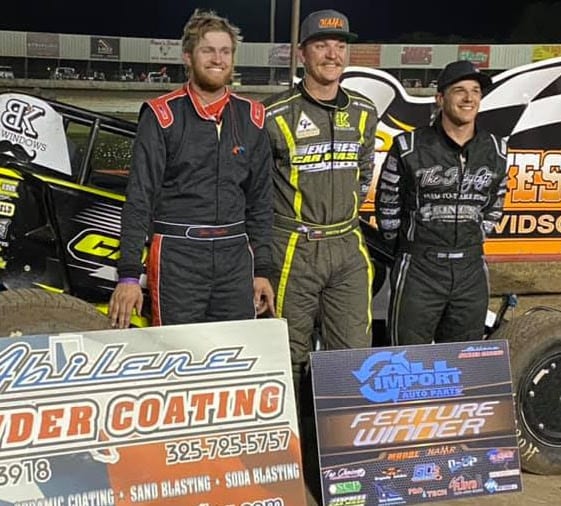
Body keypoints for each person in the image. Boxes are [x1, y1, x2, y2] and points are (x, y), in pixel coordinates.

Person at [109, 9, 274, 328]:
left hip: (235, 258)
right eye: (207, 50)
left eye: (225, 51)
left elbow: (261, 203)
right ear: (188, 57)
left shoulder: (252, 116)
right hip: (177, 256)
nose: (218, 59)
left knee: (235, 354)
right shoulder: (161, 116)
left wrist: (263, 269)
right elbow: (139, 199)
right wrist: (129, 274)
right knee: (177, 356)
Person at [263, 9, 378, 397]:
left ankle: (343, 454)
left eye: (340, 45)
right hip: (293, 247)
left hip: (347, 245)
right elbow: (256, 190)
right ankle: (290, 451)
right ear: (302, 55)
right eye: (322, 45)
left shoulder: (364, 111)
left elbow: (363, 172)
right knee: (285, 355)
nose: (332, 54)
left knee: (352, 355)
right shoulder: (273, 113)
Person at [375, 60, 507, 345]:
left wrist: (473, 236)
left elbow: (496, 203)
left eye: (475, 91)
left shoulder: (496, 149)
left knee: (464, 359)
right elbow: (387, 207)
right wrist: (409, 249)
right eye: (459, 90)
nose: (469, 98)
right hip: (420, 268)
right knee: (407, 359)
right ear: (440, 98)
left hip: (471, 267)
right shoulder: (408, 146)